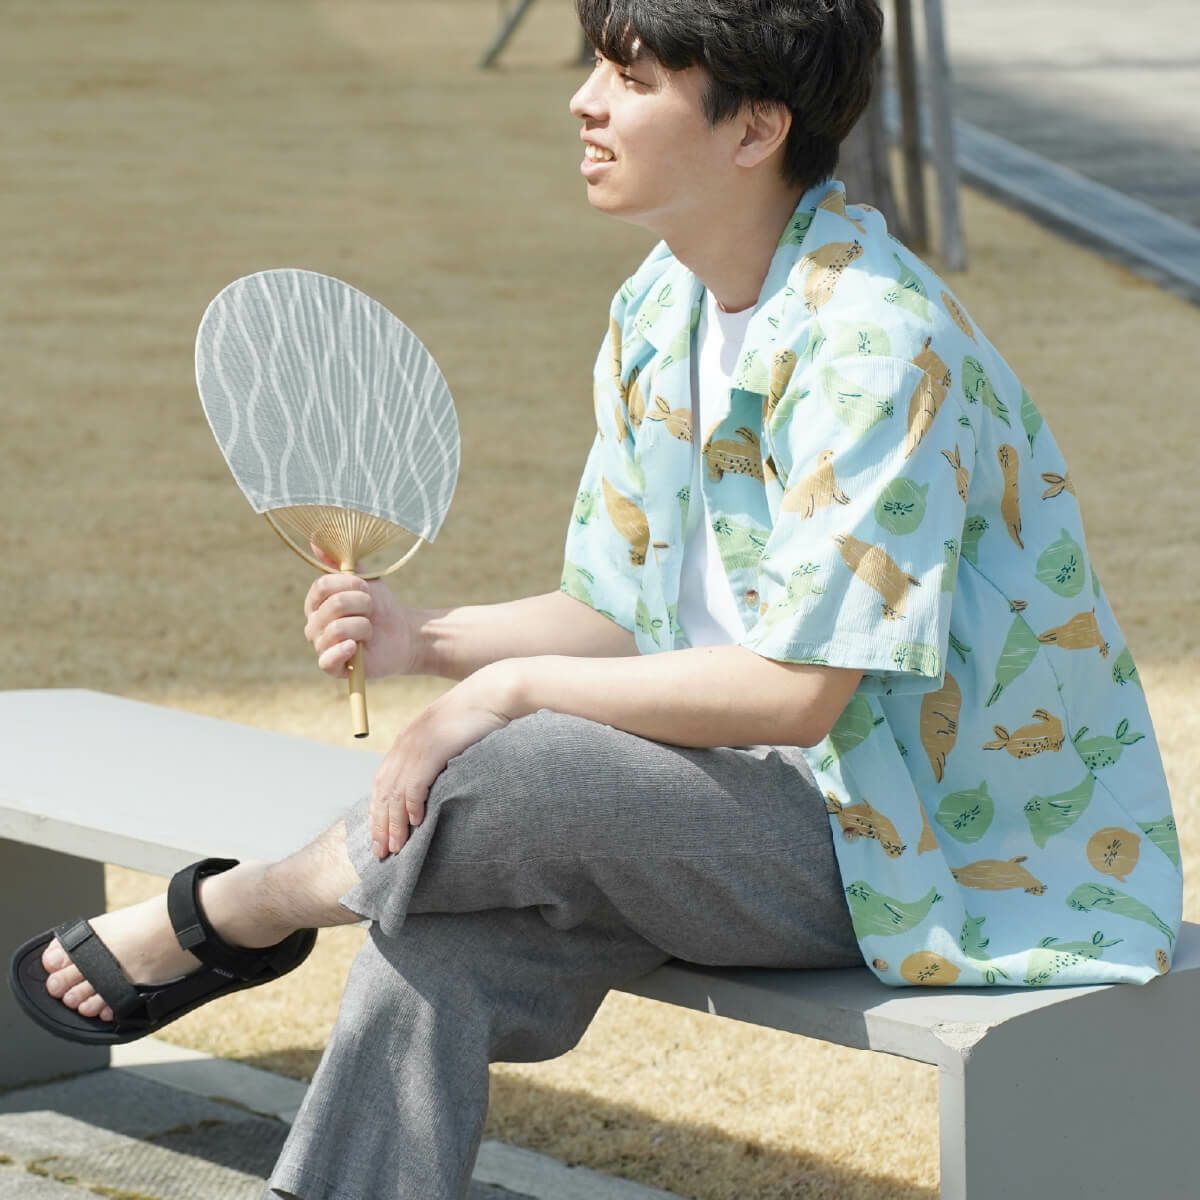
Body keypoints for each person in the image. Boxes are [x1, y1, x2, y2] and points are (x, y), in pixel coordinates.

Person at [8, 0, 1182, 1196]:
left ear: (755, 129)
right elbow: (617, 611)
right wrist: (424, 638)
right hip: (712, 816)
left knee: (522, 762)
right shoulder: (660, 306)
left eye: (632, 78)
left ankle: (244, 909)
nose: (584, 101)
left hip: (915, 851)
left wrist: (507, 691)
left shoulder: (877, 341)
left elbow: (797, 695)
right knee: (436, 950)